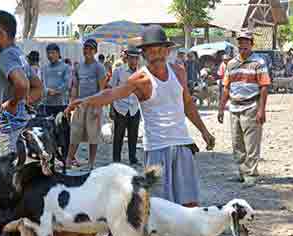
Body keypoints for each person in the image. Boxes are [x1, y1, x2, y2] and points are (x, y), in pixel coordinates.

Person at [66, 26, 215, 207]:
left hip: (183, 145)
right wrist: (84, 101)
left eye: (160, 50)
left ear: (167, 51)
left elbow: (188, 104)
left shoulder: (179, 71)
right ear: (144, 54)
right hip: (157, 148)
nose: (157, 55)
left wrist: (204, 131)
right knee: (159, 209)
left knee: (190, 205)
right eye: (151, 51)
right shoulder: (140, 79)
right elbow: (111, 94)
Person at [0, 10, 42, 159]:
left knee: (4, 178)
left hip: (7, 132)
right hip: (15, 128)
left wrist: (13, 103)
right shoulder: (19, 54)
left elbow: (22, 84)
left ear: (0, 34)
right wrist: (23, 102)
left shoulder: (7, 55)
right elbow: (38, 87)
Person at [217, 30, 270, 187]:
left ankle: (251, 174)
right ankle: (242, 172)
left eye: (246, 42)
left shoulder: (258, 63)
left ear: (251, 44)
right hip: (234, 107)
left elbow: (264, 87)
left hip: (251, 106)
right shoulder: (231, 64)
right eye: (240, 42)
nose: (242, 45)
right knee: (237, 143)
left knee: (251, 143)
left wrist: (261, 110)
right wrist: (221, 108)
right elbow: (226, 88)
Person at [66, 39, 107, 170]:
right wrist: (72, 103)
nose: (87, 51)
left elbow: (102, 89)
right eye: (86, 48)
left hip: (94, 104)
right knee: (75, 133)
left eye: (91, 49)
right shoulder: (79, 67)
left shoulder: (99, 67)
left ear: (95, 51)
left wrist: (98, 107)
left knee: (93, 136)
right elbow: (75, 87)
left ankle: (91, 163)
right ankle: (68, 160)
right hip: (80, 104)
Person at [110, 46, 141, 165]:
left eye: (136, 58)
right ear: (127, 58)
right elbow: (111, 90)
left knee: (133, 136)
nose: (134, 61)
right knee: (118, 136)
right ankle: (116, 160)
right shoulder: (118, 71)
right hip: (120, 108)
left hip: (134, 108)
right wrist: (112, 108)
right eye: (131, 58)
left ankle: (132, 158)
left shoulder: (141, 72)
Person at [41, 43, 71, 117]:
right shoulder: (44, 68)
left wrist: (56, 91)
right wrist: (47, 91)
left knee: (61, 127)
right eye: (48, 53)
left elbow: (67, 84)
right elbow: (42, 83)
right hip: (47, 104)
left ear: (58, 53)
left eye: (53, 53)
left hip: (61, 104)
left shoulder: (66, 67)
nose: (50, 55)